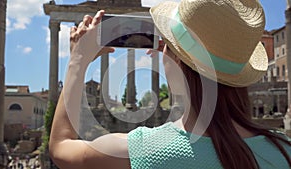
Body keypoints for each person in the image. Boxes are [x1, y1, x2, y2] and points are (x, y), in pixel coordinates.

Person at [49, 0, 291, 169]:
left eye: (167, 45)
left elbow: (61, 148)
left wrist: (78, 59)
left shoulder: (143, 151)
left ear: (177, 61)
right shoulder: (284, 150)